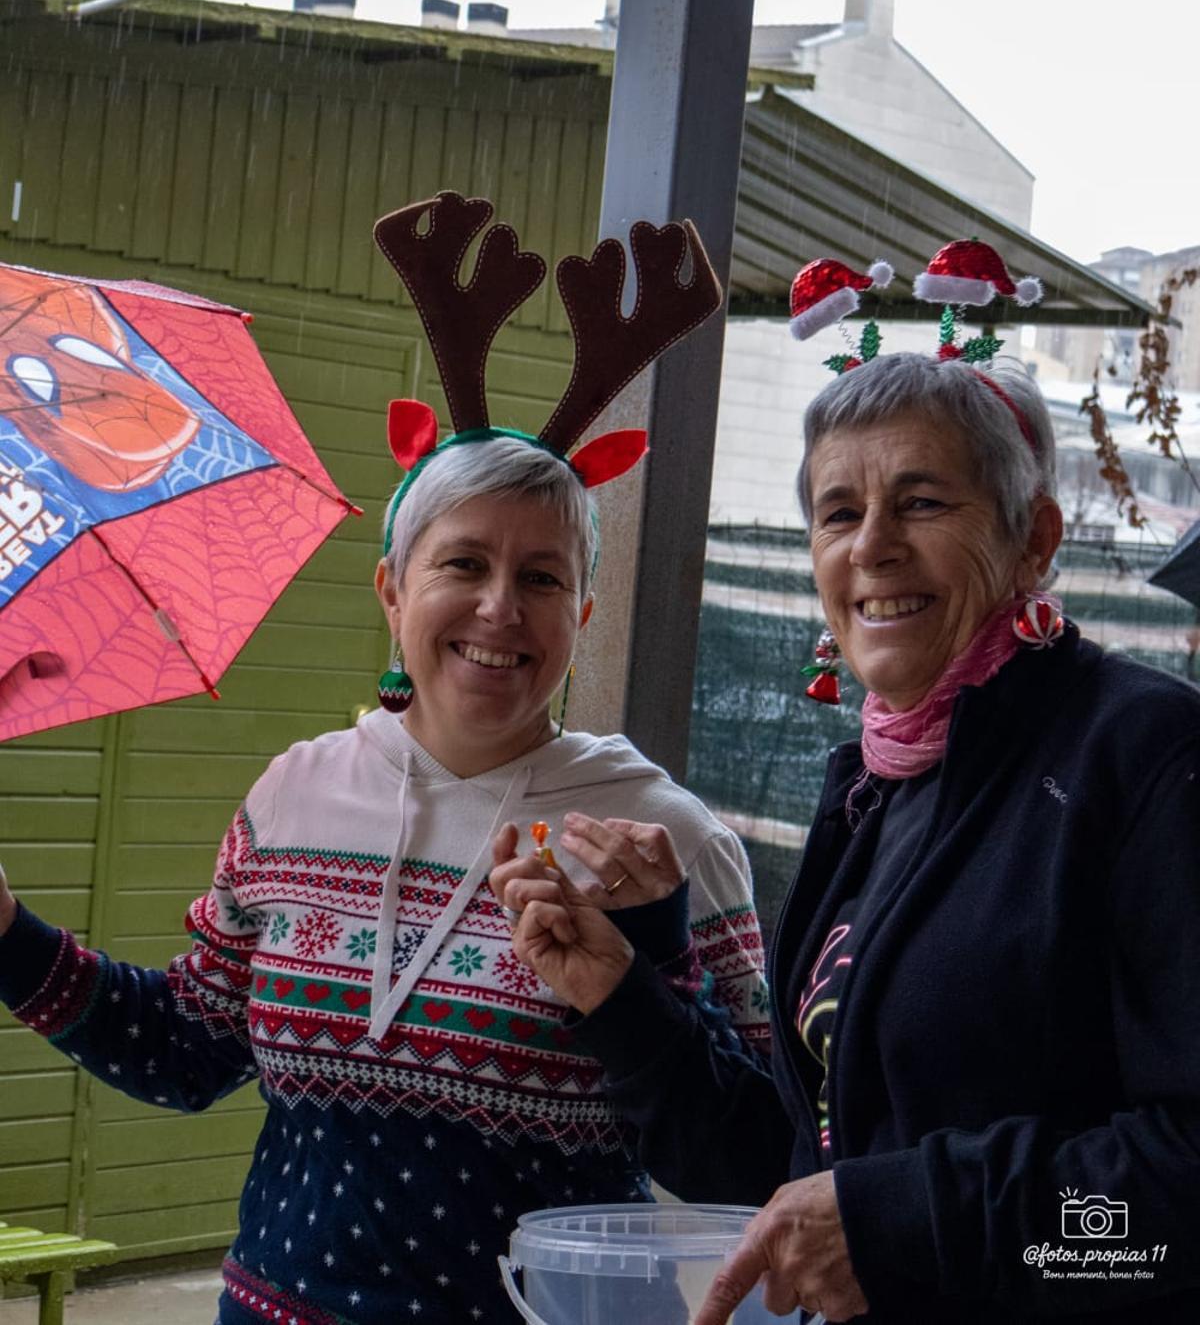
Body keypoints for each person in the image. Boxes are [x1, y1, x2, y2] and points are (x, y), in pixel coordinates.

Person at [0, 193, 768, 1324]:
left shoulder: (661, 836)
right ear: (394, 590)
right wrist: (10, 937)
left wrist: (639, 970)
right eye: (463, 563)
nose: (500, 609)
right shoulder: (296, 794)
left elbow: (752, 1152)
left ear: (584, 611)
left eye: (543, 576)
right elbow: (190, 1048)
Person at [491, 350, 1200, 1325]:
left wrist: (900, 1221)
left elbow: (1178, 1199)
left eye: (921, 503)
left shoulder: (1147, 757)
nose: (871, 545)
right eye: (837, 512)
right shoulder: (871, 794)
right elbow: (799, 1169)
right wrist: (617, 999)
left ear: (1034, 538)